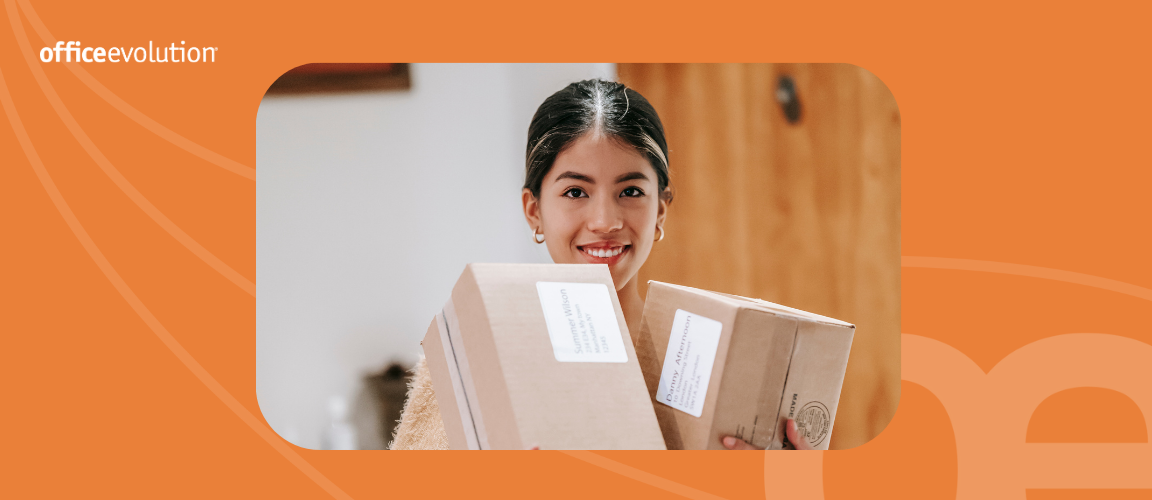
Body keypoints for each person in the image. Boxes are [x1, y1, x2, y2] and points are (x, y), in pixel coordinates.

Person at [389, 79, 811, 451]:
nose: (606, 222)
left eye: (630, 191)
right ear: (534, 210)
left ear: (661, 209)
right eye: (576, 192)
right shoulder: (472, 357)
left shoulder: (717, 362)